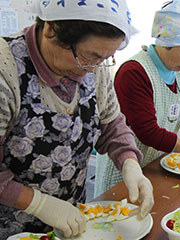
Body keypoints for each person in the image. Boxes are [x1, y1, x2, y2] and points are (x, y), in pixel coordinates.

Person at [0, 1, 154, 239]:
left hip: (73, 222)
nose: (93, 68)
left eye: (105, 58)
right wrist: (40, 205)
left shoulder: (94, 65)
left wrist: (130, 163)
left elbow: (111, 125)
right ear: (51, 28)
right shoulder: (6, 68)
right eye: (88, 56)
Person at [95, 0, 180, 196]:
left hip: (154, 166)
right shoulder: (134, 72)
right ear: (168, 43)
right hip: (126, 172)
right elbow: (147, 132)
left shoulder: (178, 70)